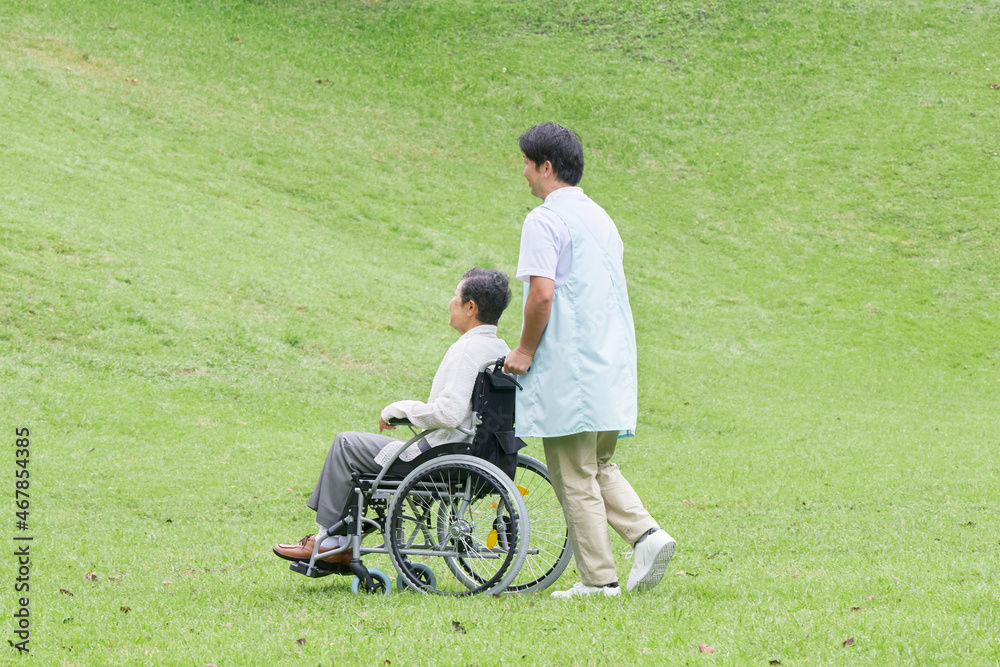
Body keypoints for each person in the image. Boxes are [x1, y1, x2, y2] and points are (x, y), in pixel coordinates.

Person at [503, 123, 676, 598]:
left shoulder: (544, 219)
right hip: (609, 365)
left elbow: (541, 295)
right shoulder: (601, 218)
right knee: (598, 465)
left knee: (572, 474)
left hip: (569, 369)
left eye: (526, 163)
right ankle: (648, 536)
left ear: (546, 167)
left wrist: (523, 350)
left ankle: (599, 581)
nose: (523, 174)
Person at [274, 268, 511, 566]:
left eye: (455, 296)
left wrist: (402, 409)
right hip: (480, 453)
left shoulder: (467, 350)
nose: (450, 302)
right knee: (357, 449)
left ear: (471, 307)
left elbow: (448, 413)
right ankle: (338, 538)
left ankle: (329, 541)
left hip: (443, 456)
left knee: (346, 444)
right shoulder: (499, 348)